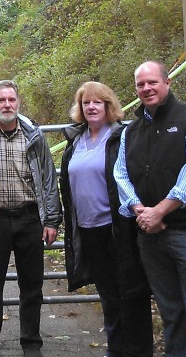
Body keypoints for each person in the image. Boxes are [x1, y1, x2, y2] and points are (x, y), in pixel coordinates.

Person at [113, 61, 186, 357]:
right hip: (151, 237)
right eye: (140, 85)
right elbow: (121, 174)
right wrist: (141, 210)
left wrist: (159, 211)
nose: (146, 88)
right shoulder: (130, 131)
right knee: (172, 315)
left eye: (152, 82)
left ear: (167, 83)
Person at [60, 82, 152, 357]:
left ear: (108, 106)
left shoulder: (121, 137)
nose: (91, 107)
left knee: (131, 293)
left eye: (97, 102)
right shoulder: (76, 139)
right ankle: (116, 349)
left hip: (118, 229)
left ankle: (138, 351)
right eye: (86, 103)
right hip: (88, 231)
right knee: (109, 297)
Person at [0, 80, 61, 356]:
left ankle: (31, 342)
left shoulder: (35, 135)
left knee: (32, 286)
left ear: (18, 102)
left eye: (11, 100)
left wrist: (52, 220)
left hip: (30, 218)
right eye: (1, 100)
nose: (6, 105)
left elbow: (48, 179)